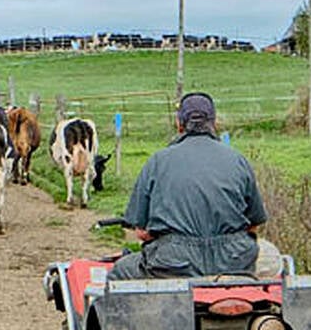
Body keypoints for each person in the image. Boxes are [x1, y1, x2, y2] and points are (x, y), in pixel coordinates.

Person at [107, 92, 267, 280]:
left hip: (173, 263)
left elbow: (141, 233)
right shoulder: (238, 159)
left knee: (120, 271)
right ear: (214, 123)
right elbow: (254, 224)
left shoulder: (158, 161)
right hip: (234, 261)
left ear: (179, 124)